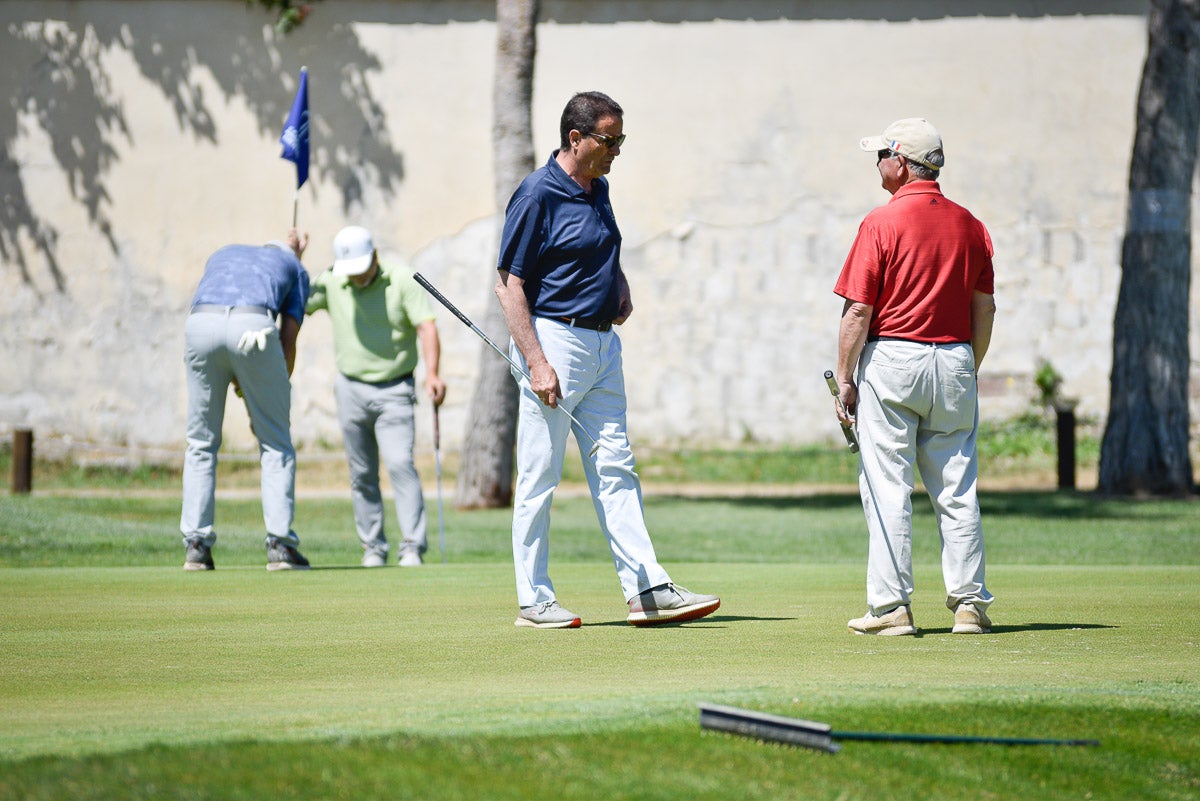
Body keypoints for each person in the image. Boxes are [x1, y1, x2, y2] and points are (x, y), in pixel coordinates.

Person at [494, 91, 720, 628]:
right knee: (539, 475)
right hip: (555, 343)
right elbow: (509, 284)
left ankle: (646, 589)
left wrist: (619, 286)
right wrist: (537, 361)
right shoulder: (536, 194)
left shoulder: (600, 189)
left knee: (616, 467)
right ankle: (533, 600)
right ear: (576, 138)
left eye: (621, 140)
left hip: (602, 347)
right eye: (609, 140)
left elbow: (604, 249)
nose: (617, 150)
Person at [833, 118, 998, 636]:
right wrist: (969, 365)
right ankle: (969, 605)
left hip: (893, 360)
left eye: (882, 154)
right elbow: (985, 308)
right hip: (954, 359)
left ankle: (891, 608)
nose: (877, 163)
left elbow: (859, 311)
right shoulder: (971, 225)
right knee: (956, 487)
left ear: (902, 163)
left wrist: (844, 378)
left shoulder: (880, 222)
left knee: (887, 486)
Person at [305, 225, 446, 567]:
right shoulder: (333, 280)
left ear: (375, 258)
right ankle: (373, 547)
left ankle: (412, 546)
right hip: (350, 388)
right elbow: (300, 302)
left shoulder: (400, 279)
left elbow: (426, 326)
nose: (355, 277)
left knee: (400, 464)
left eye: (360, 269)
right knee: (361, 472)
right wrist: (296, 260)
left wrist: (432, 373)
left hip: (395, 389)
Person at [181, 229, 312, 571]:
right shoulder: (296, 268)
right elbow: (287, 341)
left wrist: (248, 389)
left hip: (200, 324)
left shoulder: (225, 252)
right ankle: (280, 545)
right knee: (276, 443)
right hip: (253, 323)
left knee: (200, 442)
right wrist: (267, 403)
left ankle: (196, 545)